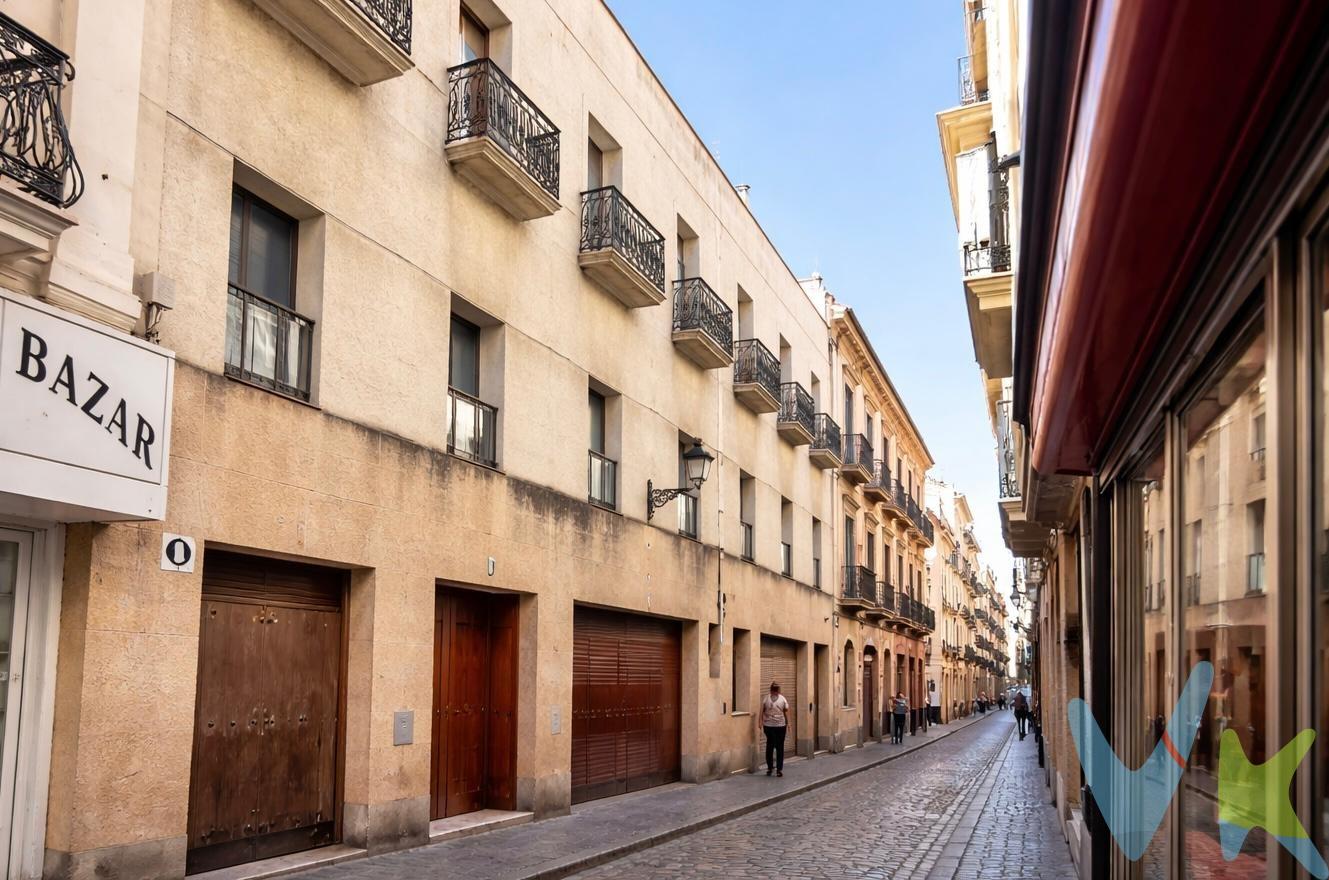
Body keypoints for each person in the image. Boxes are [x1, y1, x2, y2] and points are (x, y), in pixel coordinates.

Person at [759, 681, 790, 777]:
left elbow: (787, 712)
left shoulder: (782, 699)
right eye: (773, 689)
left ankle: (779, 769)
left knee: (779, 747)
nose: (775, 691)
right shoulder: (766, 699)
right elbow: (761, 711)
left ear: (779, 690)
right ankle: (770, 767)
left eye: (776, 689)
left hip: (780, 725)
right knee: (770, 746)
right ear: (771, 690)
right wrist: (760, 722)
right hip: (769, 726)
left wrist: (789, 723)